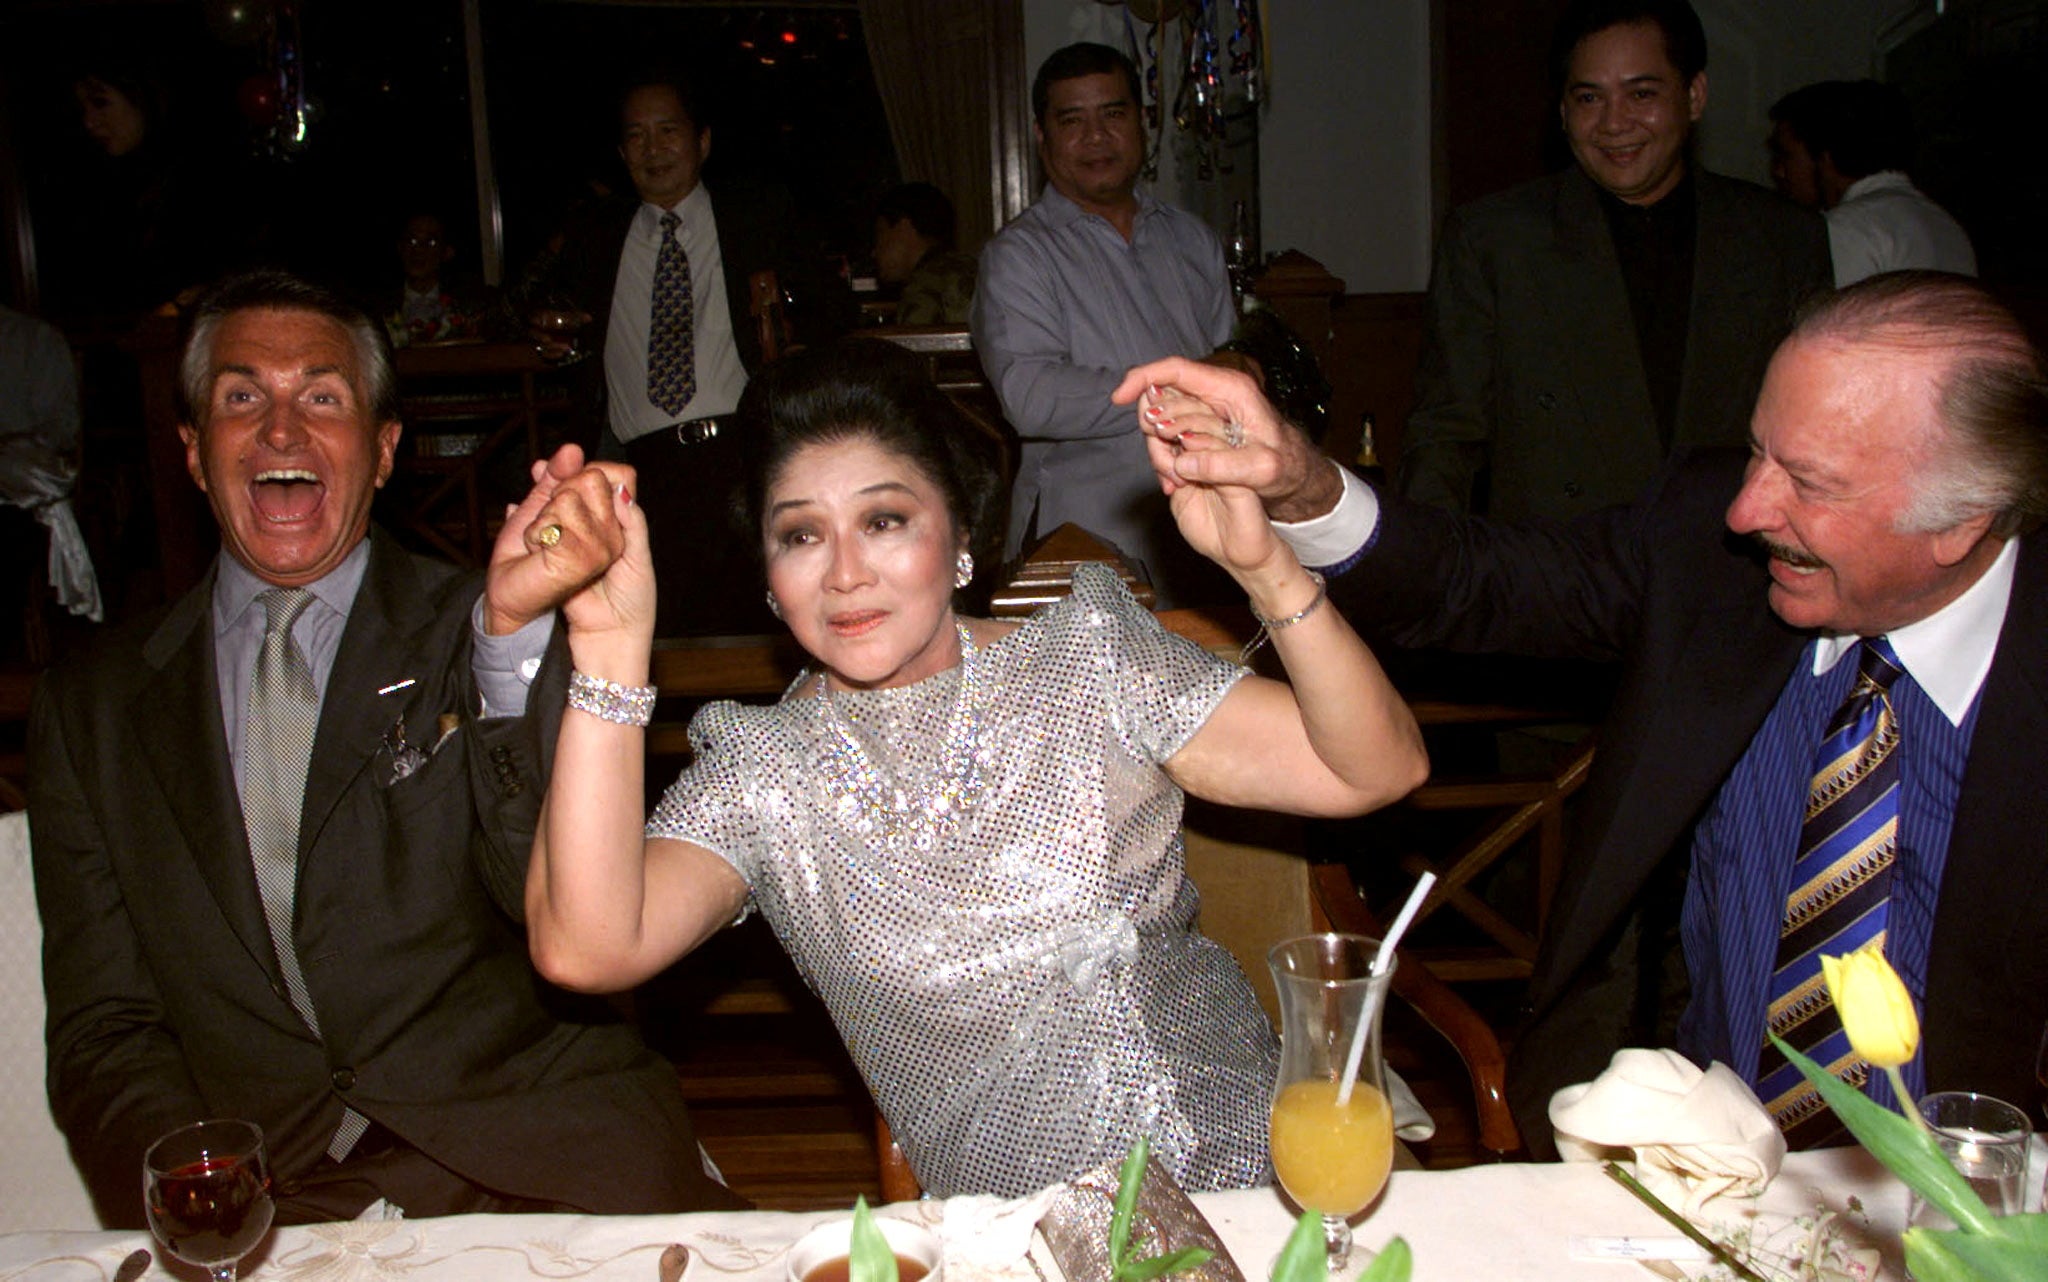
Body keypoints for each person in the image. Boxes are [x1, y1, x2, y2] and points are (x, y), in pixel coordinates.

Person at [1118, 269, 2048, 1154]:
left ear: (1961, 523)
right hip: (1681, 1155)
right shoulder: (1703, 548)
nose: (1748, 508)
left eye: (1810, 483)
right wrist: (1300, 484)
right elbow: (1475, 580)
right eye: (1760, 450)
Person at [524, 339, 1427, 1197]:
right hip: (1027, 1243)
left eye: (884, 520)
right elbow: (586, 945)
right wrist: (607, 652)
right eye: (800, 535)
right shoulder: (765, 774)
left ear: (958, 536)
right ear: (768, 576)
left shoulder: (1091, 656)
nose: (844, 573)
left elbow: (1374, 769)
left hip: (1265, 1175)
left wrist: (1264, 566)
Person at [29, 270, 738, 1226]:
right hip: (276, 1201)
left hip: (534, 1166)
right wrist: (202, 1189)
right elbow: (104, 1030)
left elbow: (561, 907)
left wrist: (507, 652)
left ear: (385, 450)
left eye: (322, 397)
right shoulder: (94, 704)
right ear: (195, 453)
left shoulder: (490, 630)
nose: (282, 431)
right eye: (244, 398)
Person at [1398, 0, 1830, 521]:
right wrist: (1426, 574)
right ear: (1562, 112)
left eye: (1642, 93)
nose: (1614, 123)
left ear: (1694, 96)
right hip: (1559, 571)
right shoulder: (1495, 240)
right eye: (1588, 98)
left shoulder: (1781, 237)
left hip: (1730, 565)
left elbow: (1818, 426)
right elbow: (1446, 436)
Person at [531, 70, 849, 636]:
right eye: (636, 136)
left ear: (702, 141)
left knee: (766, 635)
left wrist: (795, 355)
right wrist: (550, 333)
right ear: (621, 151)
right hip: (639, 472)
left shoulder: (756, 213)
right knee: (659, 642)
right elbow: (525, 308)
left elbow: (834, 307)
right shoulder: (596, 235)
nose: (653, 149)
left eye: (668, 131)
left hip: (744, 454)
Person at [972, 42, 1239, 608]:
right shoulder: (1019, 256)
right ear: (1042, 137)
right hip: (1079, 544)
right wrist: (1189, 387)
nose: (1096, 138)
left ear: (1142, 123)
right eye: (1073, 121)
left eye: (1113, 115)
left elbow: (1232, 372)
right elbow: (1034, 398)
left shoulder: (1192, 240)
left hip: (1210, 531)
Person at [1768, 79, 1976, 285]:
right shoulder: (1946, 226)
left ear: (1825, 157)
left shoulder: (1845, 230)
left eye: (1785, 156)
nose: (1779, 171)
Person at [872, 182, 977, 325]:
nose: (874, 252)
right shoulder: (974, 267)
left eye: (880, 234)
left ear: (903, 229)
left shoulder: (924, 288)